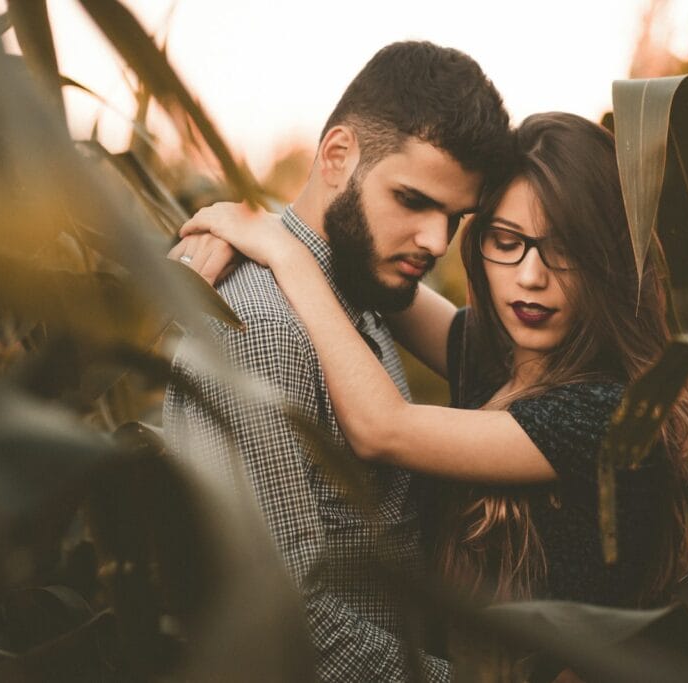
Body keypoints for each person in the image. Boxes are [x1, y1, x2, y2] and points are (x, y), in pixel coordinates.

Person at [177, 113, 688, 615]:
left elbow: (382, 428)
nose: (531, 276)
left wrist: (283, 252)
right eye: (507, 241)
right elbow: (378, 277)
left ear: (610, 259)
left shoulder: (608, 414)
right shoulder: (501, 357)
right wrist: (255, 228)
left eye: (565, 249)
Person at [163, 41, 511, 682]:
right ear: (337, 156)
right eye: (412, 200)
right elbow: (288, 627)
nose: (437, 241)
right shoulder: (266, 329)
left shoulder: (359, 289)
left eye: (455, 217)